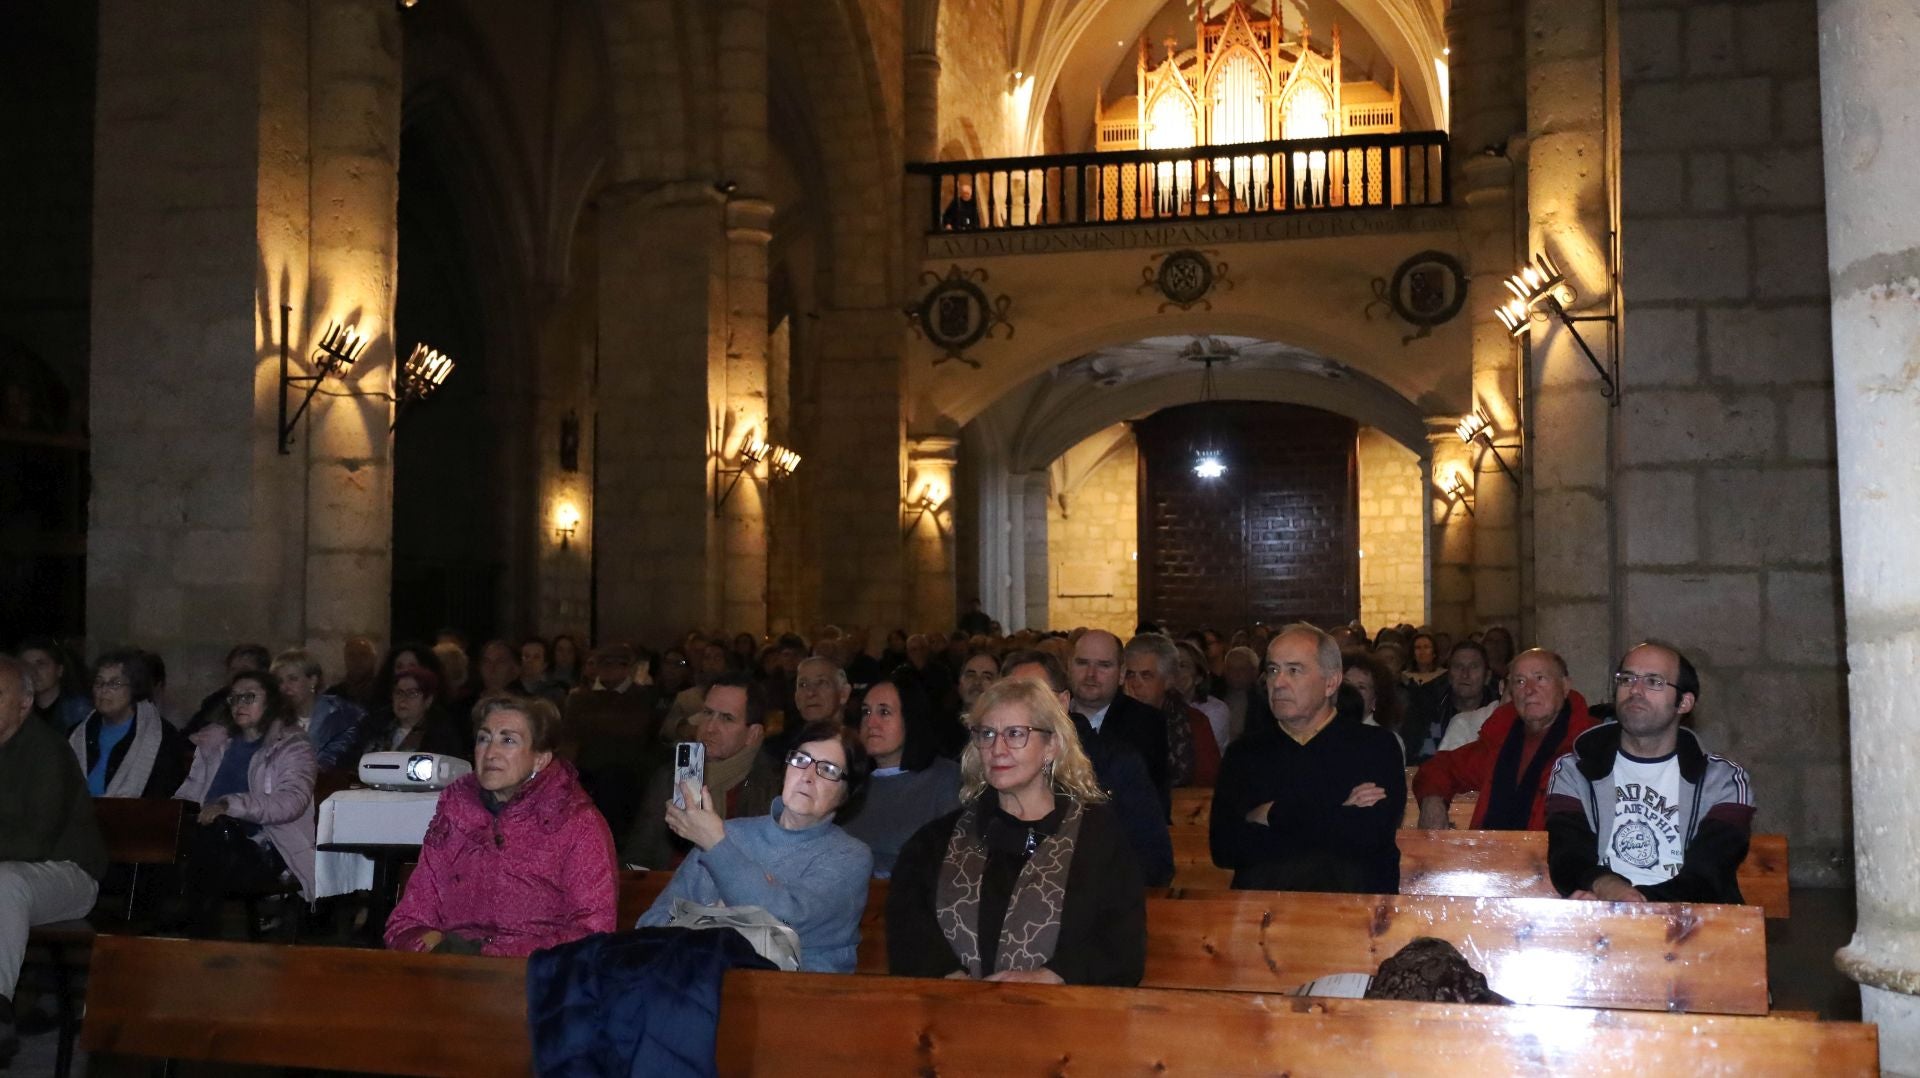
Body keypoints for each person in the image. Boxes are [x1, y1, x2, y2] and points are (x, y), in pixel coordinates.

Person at [887, 677, 1146, 986]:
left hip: (1064, 1018)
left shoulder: (1097, 836)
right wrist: (951, 979)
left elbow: (1121, 941)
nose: (997, 749)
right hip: (953, 1018)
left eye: (1015, 734)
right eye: (987, 734)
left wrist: (1051, 977)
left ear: (1051, 746)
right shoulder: (935, 842)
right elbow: (909, 928)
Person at [386, 695, 616, 955]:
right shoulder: (456, 812)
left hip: (534, 978)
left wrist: (491, 954)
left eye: (508, 740)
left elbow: (592, 932)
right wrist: (423, 942)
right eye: (484, 738)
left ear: (540, 759)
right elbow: (409, 919)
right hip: (450, 971)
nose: (490, 753)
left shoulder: (576, 822)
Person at [638, 720, 874, 973]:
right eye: (801, 760)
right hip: (699, 979)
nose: (807, 777)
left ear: (847, 792)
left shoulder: (850, 857)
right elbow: (652, 922)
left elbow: (788, 917)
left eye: (827, 769)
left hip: (794, 997)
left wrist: (717, 851)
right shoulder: (730, 832)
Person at [1547, 642, 1754, 904]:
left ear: (1684, 702)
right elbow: (1568, 855)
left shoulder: (1724, 780)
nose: (1635, 689)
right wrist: (1607, 887)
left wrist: (1633, 902)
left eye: (1654, 681)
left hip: (1690, 923)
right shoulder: (1574, 770)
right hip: (1598, 914)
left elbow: (1708, 874)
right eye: (1627, 679)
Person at [1209, 623, 1405, 894]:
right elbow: (1225, 848)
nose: (1278, 682)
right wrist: (1338, 811)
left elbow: (1366, 836)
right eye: (1273, 669)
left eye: (1294, 670)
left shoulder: (1375, 747)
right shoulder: (1245, 753)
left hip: (1353, 915)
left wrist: (1270, 814)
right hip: (1262, 916)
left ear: (1331, 682)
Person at [0, 654, 106, 1065]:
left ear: (24, 704)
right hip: (15, 872)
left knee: (6, 882)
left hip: (67, 872)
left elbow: (34, 841)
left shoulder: (47, 751)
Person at [1001, 650, 1173, 888]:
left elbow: (1154, 862)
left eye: (1033, 696)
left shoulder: (1115, 763)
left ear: (1062, 702)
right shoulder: (996, 765)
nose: (1020, 708)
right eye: (1009, 697)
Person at [172, 671, 318, 938]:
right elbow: (191, 793)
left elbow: (291, 801)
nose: (239, 703)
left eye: (249, 696)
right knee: (186, 837)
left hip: (270, 847)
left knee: (213, 837)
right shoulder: (217, 744)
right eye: (234, 698)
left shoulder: (291, 746)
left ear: (272, 701)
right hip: (214, 842)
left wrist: (230, 805)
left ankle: (197, 936)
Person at [1413, 648, 1596, 831]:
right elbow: (1442, 766)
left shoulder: (1592, 743)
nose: (1529, 690)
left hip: (1558, 856)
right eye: (1520, 681)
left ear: (1564, 686)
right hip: (1493, 854)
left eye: (1540, 678)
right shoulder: (1501, 739)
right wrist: (1432, 800)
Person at [623, 672, 781, 869]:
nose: (710, 727)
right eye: (707, 713)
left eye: (726, 718)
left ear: (753, 734)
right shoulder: (672, 774)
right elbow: (638, 854)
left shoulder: (773, 785)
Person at [841, 674, 961, 877]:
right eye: (866, 712)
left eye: (884, 712)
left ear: (910, 719)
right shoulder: (850, 781)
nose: (871, 722)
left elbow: (953, 861)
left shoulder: (946, 779)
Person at [1071, 630, 1171, 815]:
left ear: (1122, 673)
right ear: (1069, 666)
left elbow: (1147, 800)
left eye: (1104, 665)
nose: (1091, 674)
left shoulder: (1146, 723)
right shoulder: (1051, 715)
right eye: (1082, 663)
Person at [69, 648, 189, 799]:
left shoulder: (163, 738)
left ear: (134, 688)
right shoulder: (76, 735)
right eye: (99, 682)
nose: (104, 690)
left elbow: (162, 798)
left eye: (115, 683)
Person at [1124, 633, 1220, 787]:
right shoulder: (1112, 719)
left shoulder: (1194, 722)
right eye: (1130, 674)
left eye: (1146, 675)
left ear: (1168, 680)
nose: (1135, 684)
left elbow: (1208, 782)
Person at [272, 648, 366, 772]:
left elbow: (332, 763)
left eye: (293, 679)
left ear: (313, 680)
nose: (284, 687)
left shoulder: (342, 717)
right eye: (280, 681)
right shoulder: (274, 719)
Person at [1411, 640, 1501, 762]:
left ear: (1487, 676)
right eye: (1458, 667)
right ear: (1448, 675)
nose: (1465, 674)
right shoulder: (1430, 709)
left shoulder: (1498, 711)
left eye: (1474, 667)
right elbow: (1423, 756)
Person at [365, 668, 469, 759]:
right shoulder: (376, 728)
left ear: (428, 700)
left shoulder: (441, 737)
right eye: (398, 692)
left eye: (412, 693)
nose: (403, 699)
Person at [1341, 649, 1406, 762]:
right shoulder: (1322, 730)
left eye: (1361, 687)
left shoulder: (1385, 741)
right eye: (1346, 683)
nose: (1352, 691)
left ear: (1375, 700)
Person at [17, 637, 89, 731]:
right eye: (26, 665)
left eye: (41, 664)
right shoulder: (19, 709)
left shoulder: (77, 709)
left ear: (59, 670)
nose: (33, 671)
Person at [1174, 640, 1230, 754]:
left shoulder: (1215, 710)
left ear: (1198, 677)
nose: (1175, 672)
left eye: (1183, 665)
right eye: (1172, 665)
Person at [324, 636, 380, 710]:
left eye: (363, 654)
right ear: (345, 659)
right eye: (351, 655)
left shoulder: (384, 692)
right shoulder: (332, 695)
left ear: (374, 659)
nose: (357, 660)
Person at [514, 638, 567, 706]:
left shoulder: (554, 692)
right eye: (526, 656)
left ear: (544, 665)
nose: (530, 661)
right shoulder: (510, 689)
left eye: (536, 657)